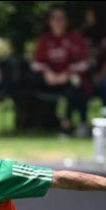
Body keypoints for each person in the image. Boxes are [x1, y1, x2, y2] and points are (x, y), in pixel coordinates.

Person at [31, 7, 91, 137]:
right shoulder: (44, 40)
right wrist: (48, 73)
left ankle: (69, 125)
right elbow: (36, 63)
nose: (58, 22)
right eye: (55, 18)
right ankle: (32, 122)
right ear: (49, 21)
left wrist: (67, 73)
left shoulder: (75, 38)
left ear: (66, 21)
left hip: (69, 79)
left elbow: (84, 63)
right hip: (50, 79)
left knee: (77, 85)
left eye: (61, 18)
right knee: (30, 80)